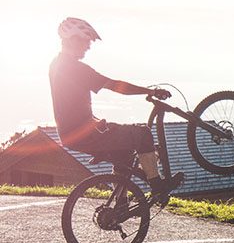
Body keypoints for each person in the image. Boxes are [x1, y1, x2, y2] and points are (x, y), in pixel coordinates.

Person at [49, 18, 184, 203]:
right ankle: (157, 185)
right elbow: (115, 85)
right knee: (143, 134)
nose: (88, 47)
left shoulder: (57, 64)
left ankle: (119, 203)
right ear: (73, 39)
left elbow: (71, 105)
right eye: (86, 41)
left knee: (125, 154)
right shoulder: (75, 68)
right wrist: (150, 91)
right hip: (86, 134)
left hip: (73, 133)